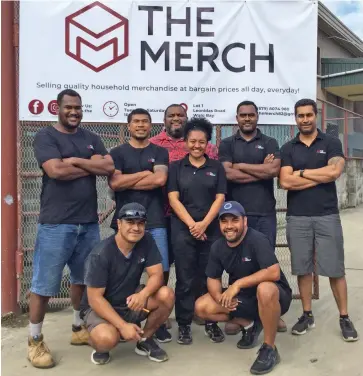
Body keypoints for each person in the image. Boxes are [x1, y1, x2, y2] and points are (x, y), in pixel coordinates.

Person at [28, 89, 115, 368]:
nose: (74, 112)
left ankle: (78, 329)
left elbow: (109, 166)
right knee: (44, 285)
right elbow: (55, 171)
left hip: (88, 222)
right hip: (56, 223)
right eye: (69, 108)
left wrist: (75, 161)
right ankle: (35, 339)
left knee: (84, 280)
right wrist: (90, 166)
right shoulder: (46, 136)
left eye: (78, 108)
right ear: (58, 108)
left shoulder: (91, 138)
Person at [279, 98, 359, 342]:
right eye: (300, 115)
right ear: (295, 118)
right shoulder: (288, 148)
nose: (305, 119)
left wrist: (301, 173)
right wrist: (320, 176)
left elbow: (335, 172)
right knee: (303, 269)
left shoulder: (331, 143)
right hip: (297, 217)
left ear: (316, 116)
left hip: (327, 215)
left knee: (335, 269)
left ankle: (344, 317)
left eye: (308, 115)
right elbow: (284, 182)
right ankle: (306, 314)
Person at [195, 201, 292, 375]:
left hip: (276, 296)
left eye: (234, 220)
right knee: (201, 306)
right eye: (224, 221)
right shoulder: (218, 246)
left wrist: (237, 285)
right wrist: (219, 298)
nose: (229, 226)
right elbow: (212, 278)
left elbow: (273, 272)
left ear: (245, 221)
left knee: (265, 289)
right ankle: (250, 325)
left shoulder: (257, 239)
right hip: (245, 299)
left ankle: (270, 348)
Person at [218, 100, 286, 334]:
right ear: (237, 118)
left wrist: (241, 165)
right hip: (234, 218)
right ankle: (242, 313)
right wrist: (259, 170)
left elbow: (273, 171)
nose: (247, 118)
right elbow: (227, 173)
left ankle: (272, 311)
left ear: (257, 117)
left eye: (251, 115)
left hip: (264, 213)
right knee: (238, 265)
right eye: (242, 115)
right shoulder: (226, 143)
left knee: (266, 264)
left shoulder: (269, 142)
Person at [80, 203, 175, 365]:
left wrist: (142, 294)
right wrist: (122, 326)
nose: (136, 228)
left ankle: (144, 339)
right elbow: (95, 299)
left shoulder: (146, 240)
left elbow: (157, 275)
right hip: (101, 307)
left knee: (166, 294)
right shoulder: (101, 254)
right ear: (119, 224)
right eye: (130, 222)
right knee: (106, 339)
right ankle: (97, 339)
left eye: (140, 223)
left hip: (130, 301)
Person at [150, 104, 219, 326]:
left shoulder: (210, 152)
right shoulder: (155, 146)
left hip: (203, 219)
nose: (176, 119)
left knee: (201, 267)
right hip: (164, 215)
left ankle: (200, 310)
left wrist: (202, 223)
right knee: (167, 266)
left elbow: (220, 188)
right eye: (172, 115)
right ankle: (164, 310)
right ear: (164, 119)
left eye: (180, 115)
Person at [108, 108, 172, 343]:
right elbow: (115, 183)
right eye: (136, 122)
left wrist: (129, 179)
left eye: (145, 122)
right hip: (124, 224)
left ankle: (159, 320)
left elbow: (160, 179)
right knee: (124, 273)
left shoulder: (160, 151)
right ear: (128, 126)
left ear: (151, 125)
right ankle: (124, 317)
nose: (141, 125)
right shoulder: (117, 152)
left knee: (160, 271)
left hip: (154, 221)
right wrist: (145, 173)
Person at [167, 117, 227, 345]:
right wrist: (193, 225)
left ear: (207, 143)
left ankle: (211, 322)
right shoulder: (176, 168)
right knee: (185, 278)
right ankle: (184, 324)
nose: (196, 146)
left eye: (201, 142)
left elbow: (220, 198)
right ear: (185, 142)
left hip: (211, 230)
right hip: (183, 230)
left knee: (209, 277)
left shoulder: (216, 167)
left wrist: (203, 224)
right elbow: (173, 199)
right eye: (192, 141)